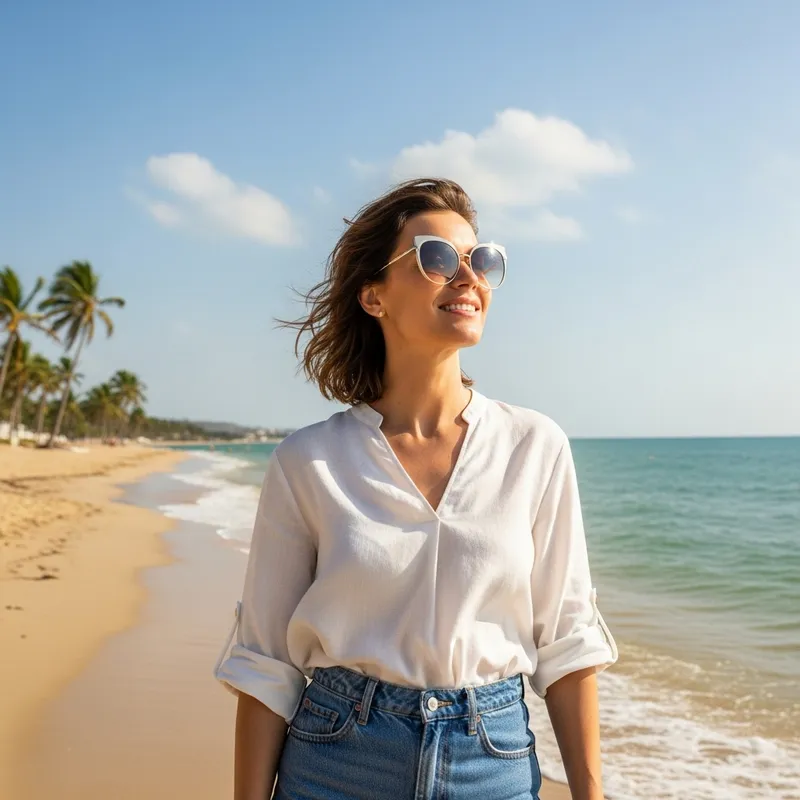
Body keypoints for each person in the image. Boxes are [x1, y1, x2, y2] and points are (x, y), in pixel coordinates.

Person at [214, 178, 618, 800]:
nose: (468, 276)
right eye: (436, 257)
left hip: (494, 758)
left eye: (481, 260)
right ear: (374, 296)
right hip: (336, 759)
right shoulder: (308, 461)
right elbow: (266, 663)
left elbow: (567, 644)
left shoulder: (535, 446)